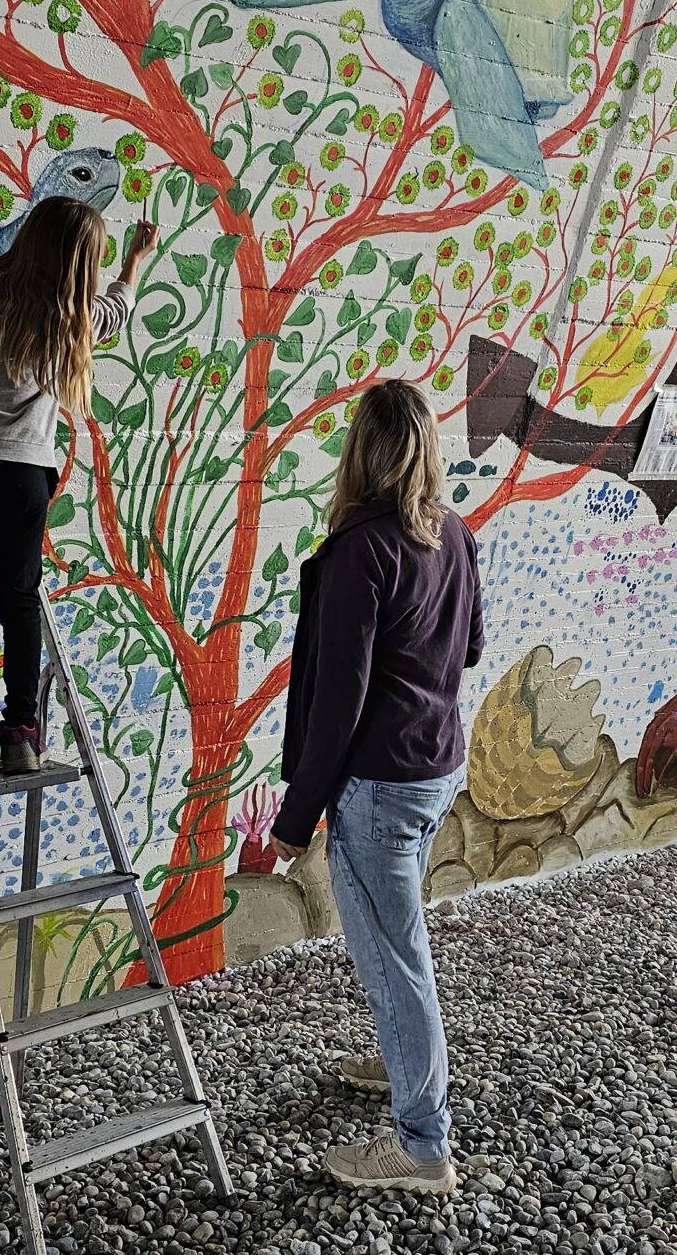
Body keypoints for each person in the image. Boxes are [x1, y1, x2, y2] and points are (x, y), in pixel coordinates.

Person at [268, 380, 484, 1195]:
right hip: (436, 771)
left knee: (398, 964)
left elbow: (339, 704)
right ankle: (404, 1064)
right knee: (402, 947)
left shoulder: (360, 550)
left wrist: (294, 818)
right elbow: (470, 646)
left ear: (361, 451)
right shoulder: (454, 534)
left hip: (382, 789)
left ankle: (423, 1145)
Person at [0, 197, 155, 773]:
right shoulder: (68, 310)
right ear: (79, 260)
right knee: (19, 600)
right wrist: (134, 264)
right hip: (23, 472)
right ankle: (20, 736)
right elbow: (115, 310)